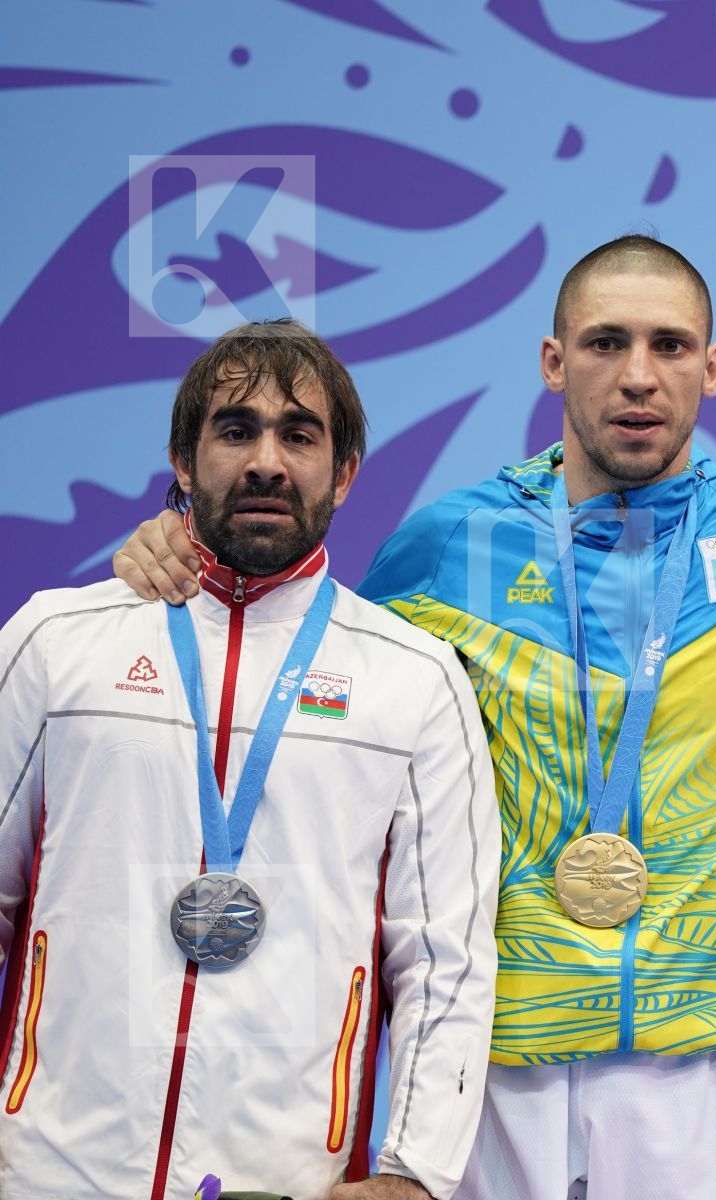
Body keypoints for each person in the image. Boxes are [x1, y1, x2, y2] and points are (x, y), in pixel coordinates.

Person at [114, 236, 716, 1199]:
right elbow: (290, 650)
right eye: (605, 343)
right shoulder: (452, 543)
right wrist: (175, 543)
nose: (638, 376)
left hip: (711, 1052)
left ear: (713, 366)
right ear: (554, 362)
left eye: (670, 345)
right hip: (497, 1047)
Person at [0, 320, 499, 1199]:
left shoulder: (416, 680)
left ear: (343, 473)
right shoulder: (55, 640)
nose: (267, 461)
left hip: (285, 1175)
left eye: (299, 436)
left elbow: (446, 957)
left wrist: (414, 1171)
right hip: (49, 1168)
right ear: (183, 462)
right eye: (237, 430)